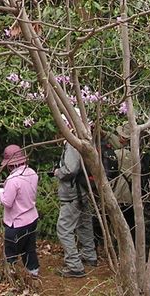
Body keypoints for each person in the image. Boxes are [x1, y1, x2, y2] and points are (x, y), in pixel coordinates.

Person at [53, 110, 97, 278]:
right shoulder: (85, 139)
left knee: (64, 229)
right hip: (83, 191)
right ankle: (89, 255)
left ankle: (74, 266)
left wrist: (58, 172)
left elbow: (71, 168)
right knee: (84, 224)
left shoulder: (73, 143)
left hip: (72, 194)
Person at [0, 144, 40, 279]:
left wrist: (0, 193)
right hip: (32, 218)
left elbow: (7, 202)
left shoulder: (13, 179)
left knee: (11, 251)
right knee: (29, 248)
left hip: (17, 222)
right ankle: (33, 271)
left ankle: (11, 275)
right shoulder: (32, 173)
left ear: (10, 165)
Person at [111, 123, 137, 239]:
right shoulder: (136, 154)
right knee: (131, 225)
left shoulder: (118, 154)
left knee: (120, 227)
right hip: (131, 195)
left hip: (119, 194)